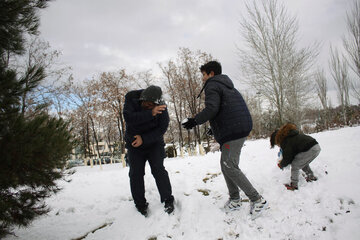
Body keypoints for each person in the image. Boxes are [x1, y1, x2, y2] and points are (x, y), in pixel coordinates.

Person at [182, 60, 267, 219]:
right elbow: (226, 109)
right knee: (225, 164)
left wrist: (194, 120)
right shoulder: (226, 85)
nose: (202, 78)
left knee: (230, 165)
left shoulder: (212, 85)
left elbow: (212, 109)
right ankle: (235, 199)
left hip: (234, 131)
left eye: (203, 75)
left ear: (211, 73)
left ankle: (257, 199)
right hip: (238, 127)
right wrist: (213, 128)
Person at [123, 85, 174, 216]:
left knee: (158, 169)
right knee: (136, 174)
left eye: (152, 105)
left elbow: (162, 129)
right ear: (142, 98)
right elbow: (129, 118)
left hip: (153, 143)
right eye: (147, 104)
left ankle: (168, 199)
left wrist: (144, 139)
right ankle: (140, 204)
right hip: (134, 142)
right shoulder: (131, 98)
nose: (149, 106)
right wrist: (150, 113)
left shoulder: (162, 107)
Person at [270, 123, 321, 190]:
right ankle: (310, 176)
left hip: (311, 149)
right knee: (301, 162)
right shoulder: (290, 137)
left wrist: (281, 164)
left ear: (277, 139)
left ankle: (294, 185)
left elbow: (288, 157)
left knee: (295, 165)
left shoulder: (286, 141)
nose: (278, 145)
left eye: (276, 143)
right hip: (315, 147)